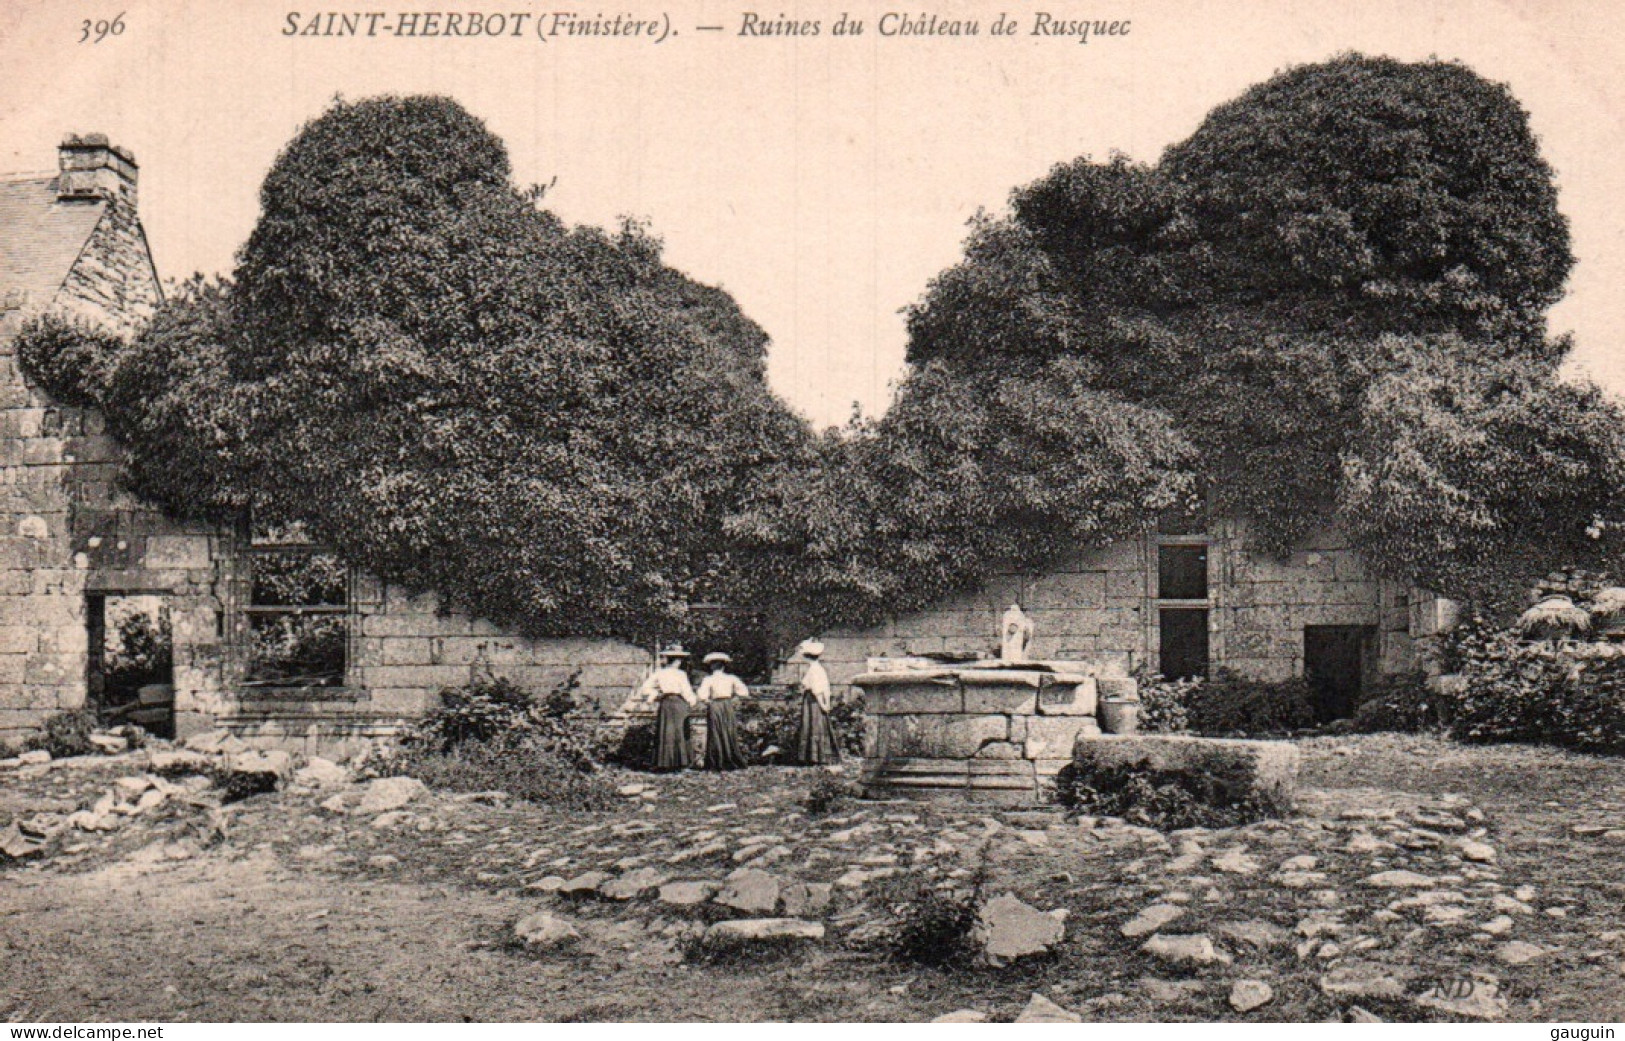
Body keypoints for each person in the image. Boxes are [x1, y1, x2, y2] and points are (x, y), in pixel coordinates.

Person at [638, 644, 695, 771]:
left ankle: (666, 763)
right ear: (675, 660)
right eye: (678, 659)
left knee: (667, 731)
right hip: (679, 703)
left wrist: (655, 694)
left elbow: (645, 689)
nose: (680, 662)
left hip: (666, 704)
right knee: (679, 731)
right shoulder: (681, 674)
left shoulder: (659, 673)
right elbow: (687, 691)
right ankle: (680, 763)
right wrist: (692, 702)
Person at [697, 652, 749, 771]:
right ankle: (726, 759)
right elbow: (744, 692)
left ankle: (719, 761)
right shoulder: (730, 678)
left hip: (717, 704)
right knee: (726, 730)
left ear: (711, 666)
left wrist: (708, 702)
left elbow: (701, 695)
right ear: (724, 666)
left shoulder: (709, 679)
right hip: (726, 704)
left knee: (717, 731)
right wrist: (734, 699)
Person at [795, 640, 839, 765]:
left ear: (806, 656)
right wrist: (827, 703)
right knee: (817, 725)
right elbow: (825, 689)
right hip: (815, 700)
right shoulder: (819, 668)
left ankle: (814, 757)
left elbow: (817, 690)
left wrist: (823, 704)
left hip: (813, 701)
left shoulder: (814, 670)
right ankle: (816, 756)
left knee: (814, 725)